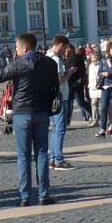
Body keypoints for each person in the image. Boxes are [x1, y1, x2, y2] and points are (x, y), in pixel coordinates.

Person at [0, 32, 60, 206]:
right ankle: (44, 194)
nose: (16, 50)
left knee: (23, 156)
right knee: (42, 154)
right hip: (42, 111)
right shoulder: (49, 63)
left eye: (17, 47)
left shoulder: (18, 64)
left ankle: (25, 196)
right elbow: (55, 87)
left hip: (22, 113)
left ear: (25, 47)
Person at [47, 35, 75, 169]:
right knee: (60, 129)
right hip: (59, 97)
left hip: (51, 97)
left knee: (55, 128)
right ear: (61, 45)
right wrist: (69, 72)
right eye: (65, 48)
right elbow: (60, 81)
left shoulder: (47, 57)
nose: (65, 51)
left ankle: (53, 158)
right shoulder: (56, 60)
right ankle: (58, 159)